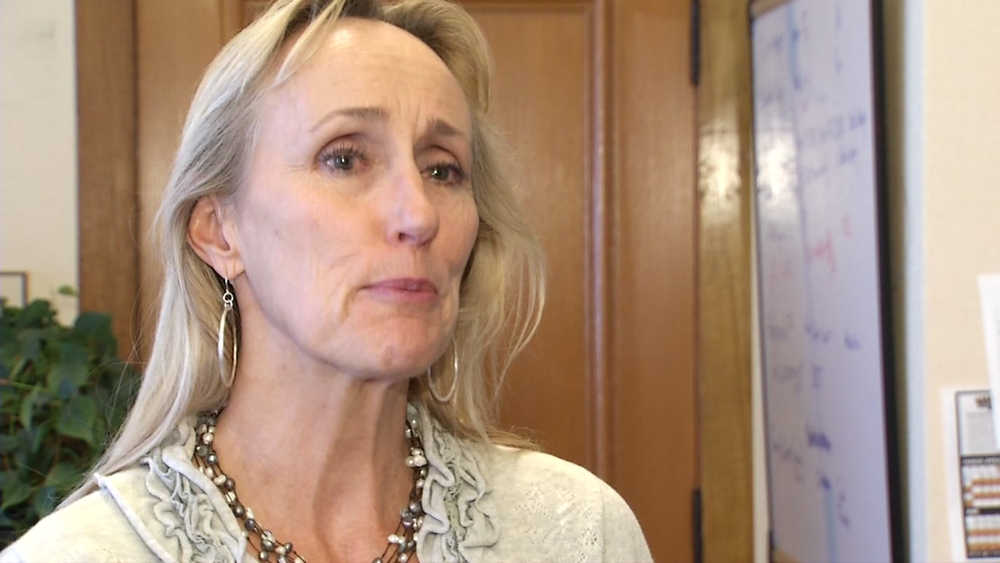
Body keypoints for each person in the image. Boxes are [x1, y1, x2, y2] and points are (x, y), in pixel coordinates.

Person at [1, 0, 652, 561]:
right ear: (220, 231)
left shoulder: (577, 532)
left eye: (443, 169)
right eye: (344, 158)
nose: (418, 215)